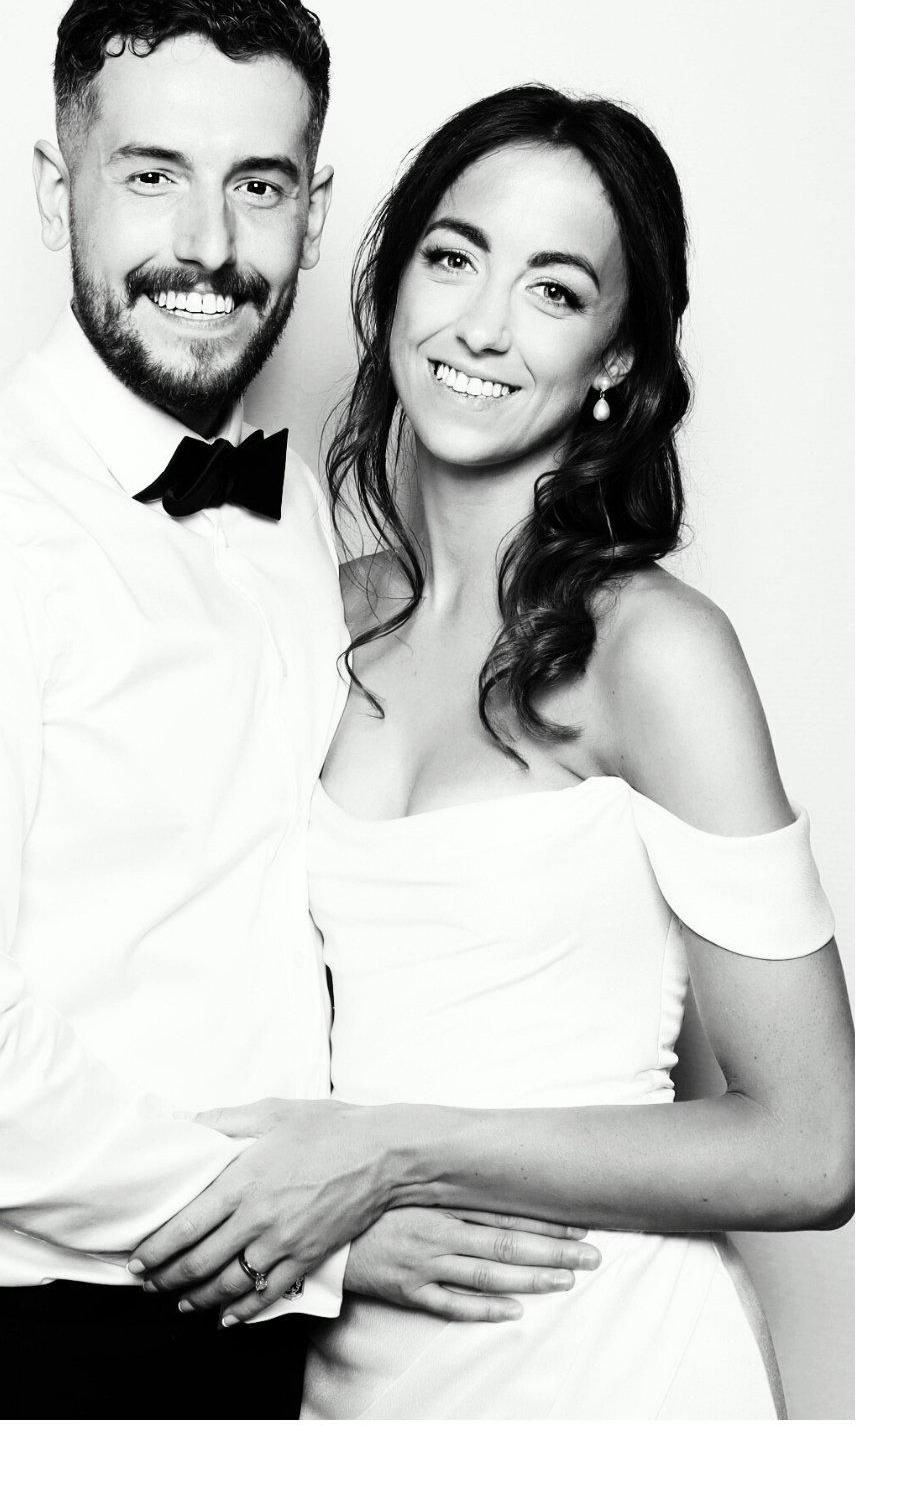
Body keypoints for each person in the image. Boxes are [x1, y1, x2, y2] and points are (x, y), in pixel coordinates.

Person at [0, 0, 597, 1421]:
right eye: (151, 176)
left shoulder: (314, 540)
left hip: (288, 1365)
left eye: (259, 186)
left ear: (317, 208)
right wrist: (319, 1230)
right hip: (23, 1363)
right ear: (58, 188)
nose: (207, 248)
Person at [126, 85, 856, 1418]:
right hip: (354, 1363)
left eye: (556, 290)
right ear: (394, 288)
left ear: (619, 362)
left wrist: (391, 1151)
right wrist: (337, 1217)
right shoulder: (305, 617)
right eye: (454, 258)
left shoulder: (654, 651)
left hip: (617, 1373)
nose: (481, 324)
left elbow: (811, 1148)